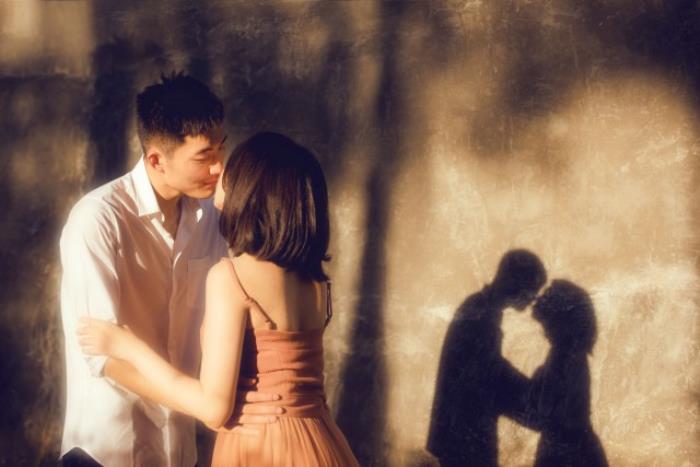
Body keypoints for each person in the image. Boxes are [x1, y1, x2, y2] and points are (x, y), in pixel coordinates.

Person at [78, 132, 360, 466]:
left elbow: (213, 408)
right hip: (321, 441)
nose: (219, 170)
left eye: (230, 169)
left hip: (261, 447)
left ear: (250, 191)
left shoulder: (231, 277)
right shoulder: (316, 282)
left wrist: (127, 346)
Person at [59, 74, 278, 467]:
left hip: (179, 450)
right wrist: (208, 405)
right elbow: (102, 355)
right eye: (204, 156)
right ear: (157, 160)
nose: (219, 167)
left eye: (221, 149)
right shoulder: (98, 220)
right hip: (109, 449)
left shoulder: (213, 217)